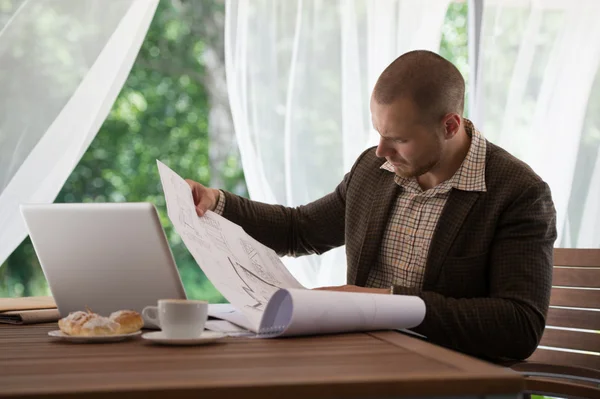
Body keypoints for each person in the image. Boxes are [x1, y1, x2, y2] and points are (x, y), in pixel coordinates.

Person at [186, 50, 557, 362]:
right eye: (378, 133)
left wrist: (385, 304)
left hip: (444, 371)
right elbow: (299, 230)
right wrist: (218, 203)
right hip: (363, 360)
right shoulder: (374, 170)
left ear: (450, 125)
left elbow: (518, 326)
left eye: (399, 139)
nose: (381, 151)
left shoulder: (518, 194)